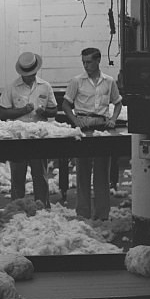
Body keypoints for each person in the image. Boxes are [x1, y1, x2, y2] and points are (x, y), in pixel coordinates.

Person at [61, 47, 122, 220]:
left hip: (102, 125)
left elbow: (118, 103)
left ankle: (102, 215)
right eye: (83, 62)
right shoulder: (77, 81)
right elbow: (66, 105)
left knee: (103, 171)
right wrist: (75, 120)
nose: (86, 66)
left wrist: (113, 119)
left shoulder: (109, 81)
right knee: (83, 170)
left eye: (89, 62)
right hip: (84, 124)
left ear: (98, 61)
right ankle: (83, 213)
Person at [0, 52, 57, 205]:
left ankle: (42, 207)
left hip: (39, 137)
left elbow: (54, 110)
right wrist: (22, 111)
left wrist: (44, 112)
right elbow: (2, 113)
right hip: (19, 139)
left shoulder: (45, 86)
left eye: (32, 73)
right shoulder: (12, 87)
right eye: (27, 74)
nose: (30, 76)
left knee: (40, 175)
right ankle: (17, 207)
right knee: (17, 176)